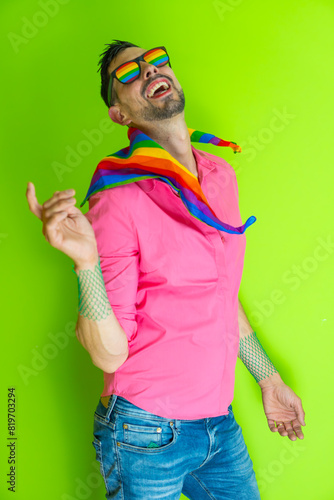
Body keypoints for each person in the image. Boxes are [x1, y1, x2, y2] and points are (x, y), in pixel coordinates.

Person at [26, 40, 306, 500]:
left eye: (155, 60)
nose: (147, 69)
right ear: (120, 114)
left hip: (219, 423)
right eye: (128, 73)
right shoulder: (118, 198)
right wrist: (86, 263)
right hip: (145, 433)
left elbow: (221, 297)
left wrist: (268, 379)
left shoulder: (219, 175)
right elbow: (109, 356)